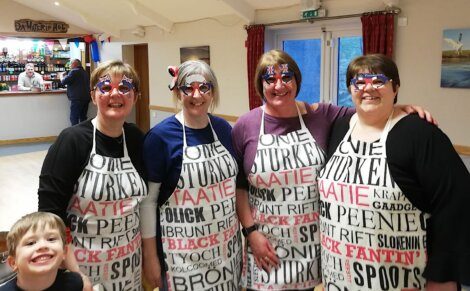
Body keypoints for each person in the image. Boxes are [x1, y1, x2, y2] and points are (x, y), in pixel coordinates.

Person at [232, 49, 435, 291]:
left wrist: (399, 106)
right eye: (270, 79)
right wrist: (251, 233)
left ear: (296, 80)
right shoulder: (246, 125)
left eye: (286, 77)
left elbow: (368, 108)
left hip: (312, 250)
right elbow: (240, 185)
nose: (279, 85)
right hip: (265, 247)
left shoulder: (322, 115)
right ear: (259, 84)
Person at [318, 54, 470, 290]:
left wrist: (441, 278)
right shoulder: (338, 128)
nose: (368, 88)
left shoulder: (420, 134)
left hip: (403, 279)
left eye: (378, 80)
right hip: (339, 276)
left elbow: (456, 205)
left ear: (395, 87)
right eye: (359, 81)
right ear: (350, 89)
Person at [38, 60, 148, 290]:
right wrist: (75, 275)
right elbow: (50, 215)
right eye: (105, 87)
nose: (114, 94)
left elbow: (143, 206)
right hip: (82, 270)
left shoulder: (137, 139)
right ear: (93, 94)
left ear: (135, 96)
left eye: (124, 88)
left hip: (129, 269)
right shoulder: (71, 140)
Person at [141, 60, 242, 290]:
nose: (197, 95)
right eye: (188, 88)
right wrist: (151, 258)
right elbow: (148, 202)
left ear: (212, 91)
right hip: (181, 260)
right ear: (178, 91)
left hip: (226, 254)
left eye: (204, 87)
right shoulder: (160, 137)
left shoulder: (224, 129)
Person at [2, 212, 83, 291]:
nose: (43, 246)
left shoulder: (74, 283)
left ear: (64, 252)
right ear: (13, 262)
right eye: (31, 243)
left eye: (51, 239)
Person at [60, 59, 90, 125]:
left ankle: (75, 134)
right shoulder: (85, 72)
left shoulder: (74, 71)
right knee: (83, 117)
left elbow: (63, 82)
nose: (70, 66)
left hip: (77, 99)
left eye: (71, 64)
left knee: (74, 118)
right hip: (86, 98)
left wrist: (61, 76)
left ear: (75, 64)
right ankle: (83, 133)